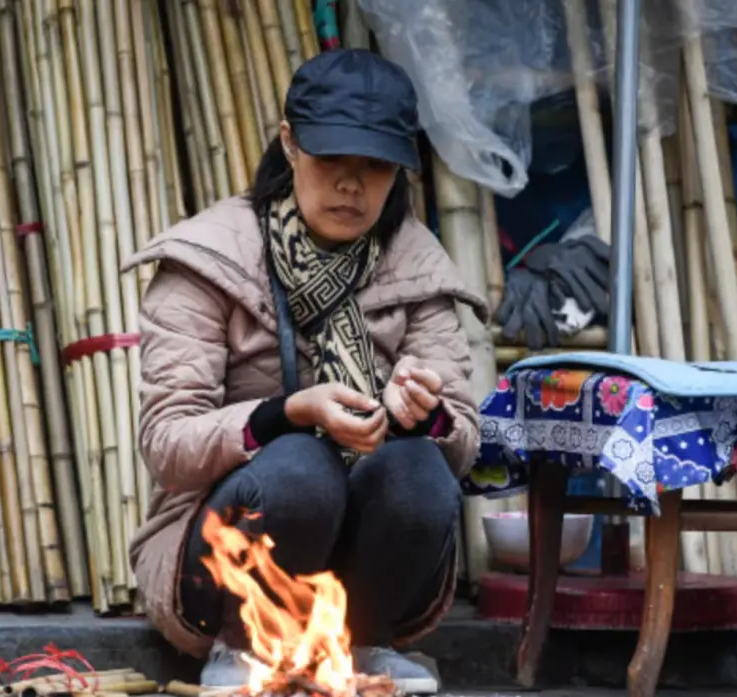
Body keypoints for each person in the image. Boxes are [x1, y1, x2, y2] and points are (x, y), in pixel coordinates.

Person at [122, 48, 487, 695]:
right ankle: (243, 650)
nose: (351, 185)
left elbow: (462, 443)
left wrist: (425, 416)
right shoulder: (210, 258)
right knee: (302, 467)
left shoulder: (418, 265)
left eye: (375, 166)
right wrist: (284, 414)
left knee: (419, 470)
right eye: (332, 159)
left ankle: (362, 645)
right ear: (290, 143)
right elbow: (167, 444)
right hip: (222, 560)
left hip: (362, 560)